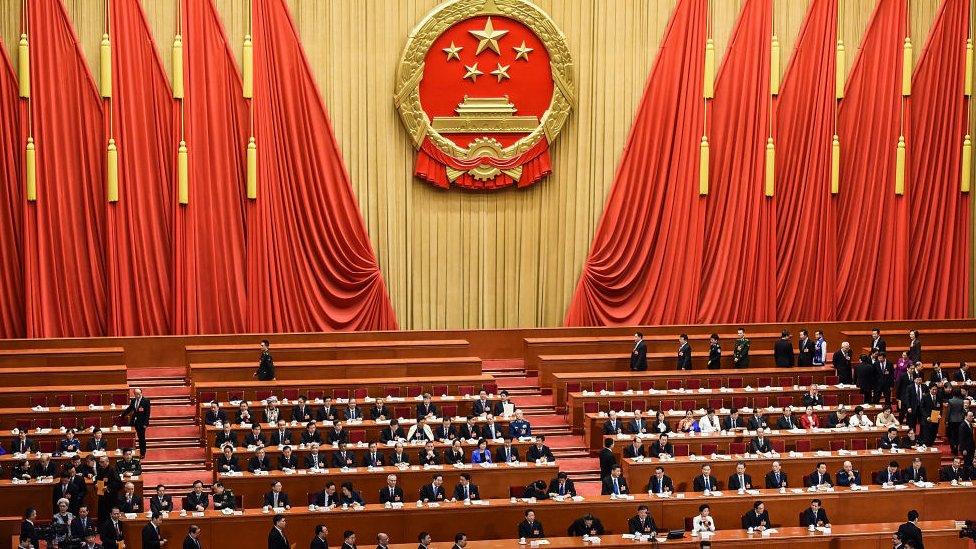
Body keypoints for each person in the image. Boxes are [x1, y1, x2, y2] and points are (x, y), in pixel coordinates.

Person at [119, 388, 152, 459]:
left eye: (138, 394)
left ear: (141, 393)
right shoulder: (133, 400)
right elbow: (129, 409)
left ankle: (142, 453)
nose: (137, 395)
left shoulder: (146, 401)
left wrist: (146, 424)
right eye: (136, 394)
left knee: (141, 438)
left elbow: (147, 413)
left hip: (141, 423)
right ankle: (128, 451)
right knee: (129, 434)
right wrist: (122, 415)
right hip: (133, 421)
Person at [947, 389, 968, 454]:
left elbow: (948, 412)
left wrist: (946, 420)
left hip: (951, 420)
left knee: (951, 435)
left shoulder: (950, 401)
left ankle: (953, 448)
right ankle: (956, 447)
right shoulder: (962, 401)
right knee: (958, 435)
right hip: (960, 420)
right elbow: (963, 411)